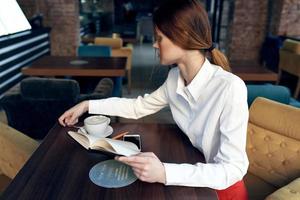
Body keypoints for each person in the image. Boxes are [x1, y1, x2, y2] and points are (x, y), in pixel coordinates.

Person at [59, 0, 249, 199]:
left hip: (221, 190)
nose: (154, 44)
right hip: (193, 173)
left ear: (182, 37)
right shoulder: (175, 77)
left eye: (159, 37)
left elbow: (232, 169)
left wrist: (164, 172)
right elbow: (138, 107)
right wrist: (87, 105)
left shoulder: (229, 88)